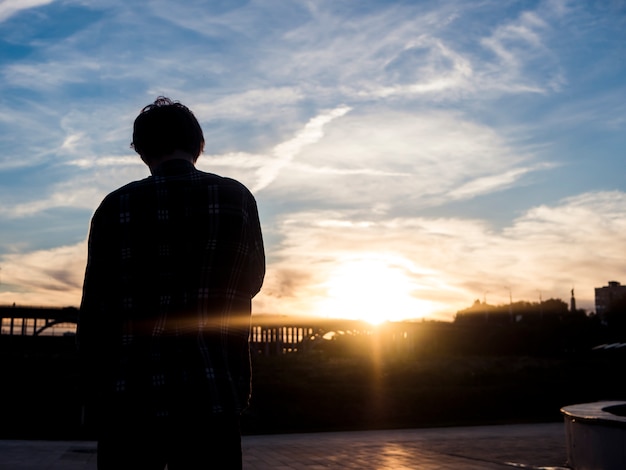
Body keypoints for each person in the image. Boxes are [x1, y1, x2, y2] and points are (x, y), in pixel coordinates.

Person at [77, 97, 265, 469]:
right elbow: (251, 282)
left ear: (142, 150)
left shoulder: (114, 206)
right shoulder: (235, 198)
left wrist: (90, 393)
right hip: (212, 391)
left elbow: (95, 309)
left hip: (128, 396)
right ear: (198, 144)